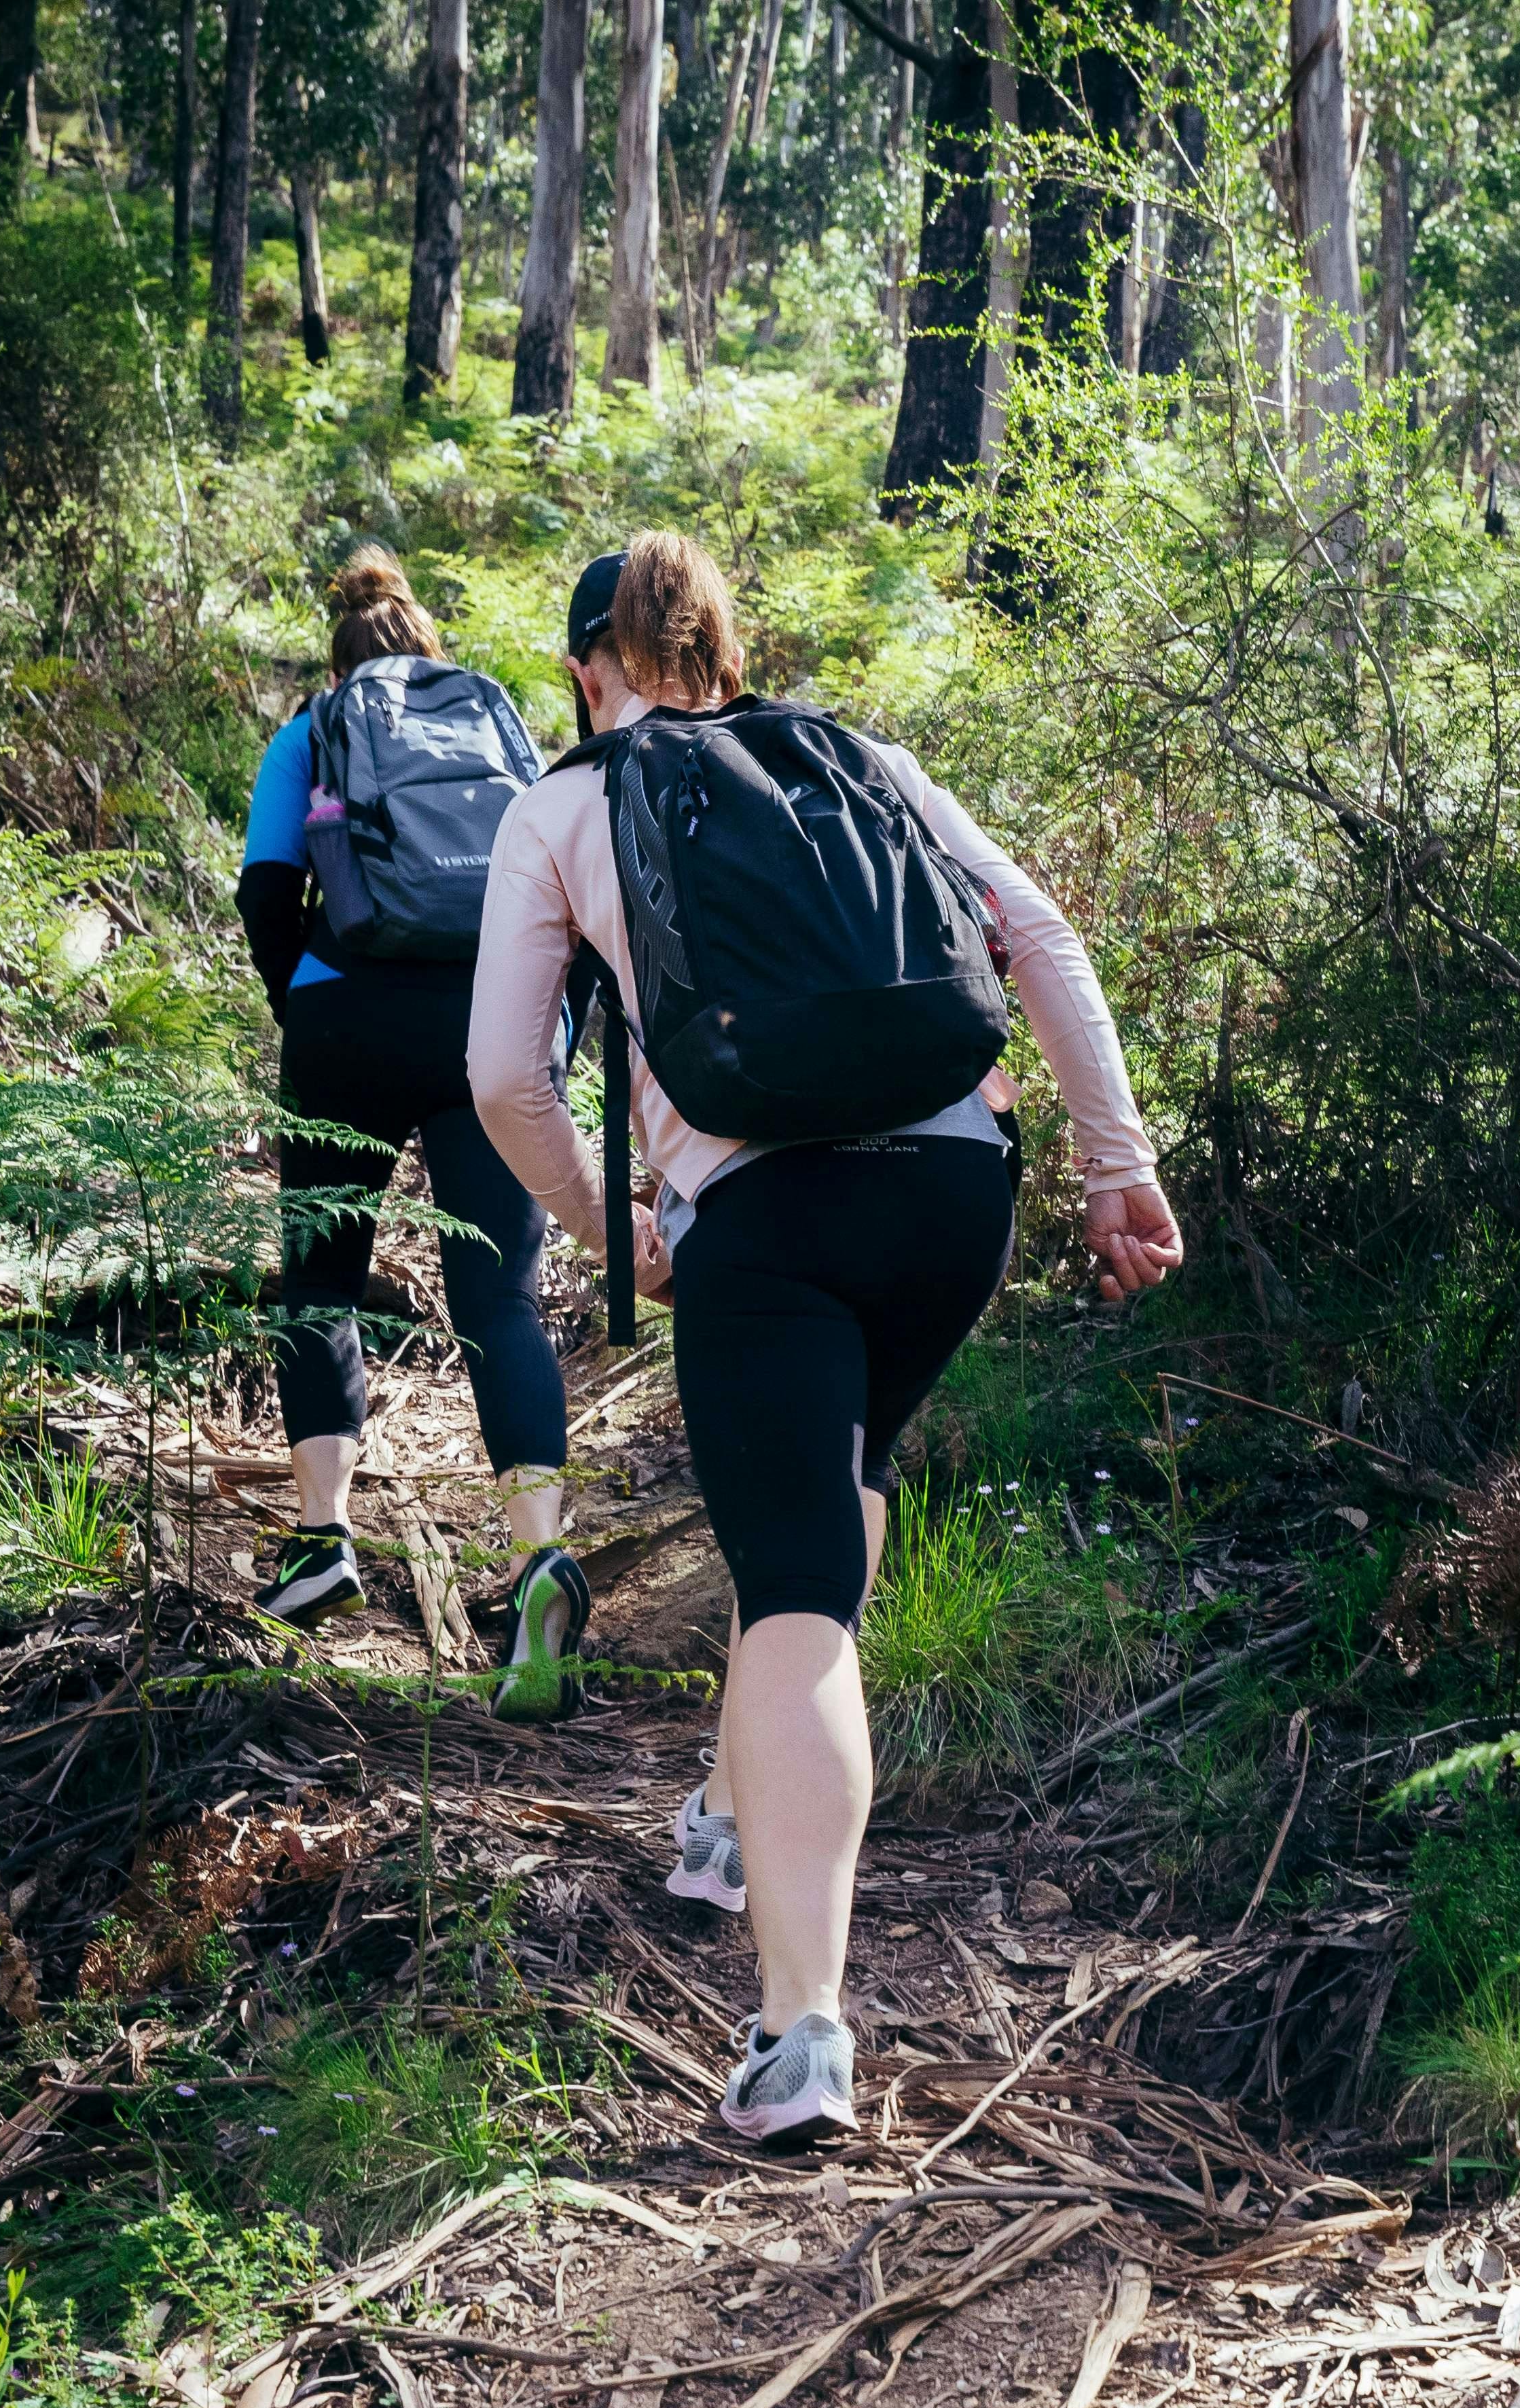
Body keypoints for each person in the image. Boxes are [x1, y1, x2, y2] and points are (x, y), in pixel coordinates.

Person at [469, 534, 1184, 2140]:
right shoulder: (863, 758)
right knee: (843, 1458)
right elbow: (1040, 937)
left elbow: (505, 1079)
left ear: (592, 667)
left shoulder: (568, 799)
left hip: (764, 1215)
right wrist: (1118, 1169)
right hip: (954, 1193)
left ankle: (804, 2032)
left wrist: (612, 1227)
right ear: (724, 651)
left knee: (793, 1586)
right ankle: (730, 1809)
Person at [234, 547, 587, 1722]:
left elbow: (265, 894)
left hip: (346, 1013)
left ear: (339, 654)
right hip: (487, 1017)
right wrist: (548, 1036)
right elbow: (562, 888)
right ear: (428, 647)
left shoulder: (313, 732)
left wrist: (314, 1007)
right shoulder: (492, 722)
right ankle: (540, 1552)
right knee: (501, 1297)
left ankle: (321, 1542)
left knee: (321, 1281)